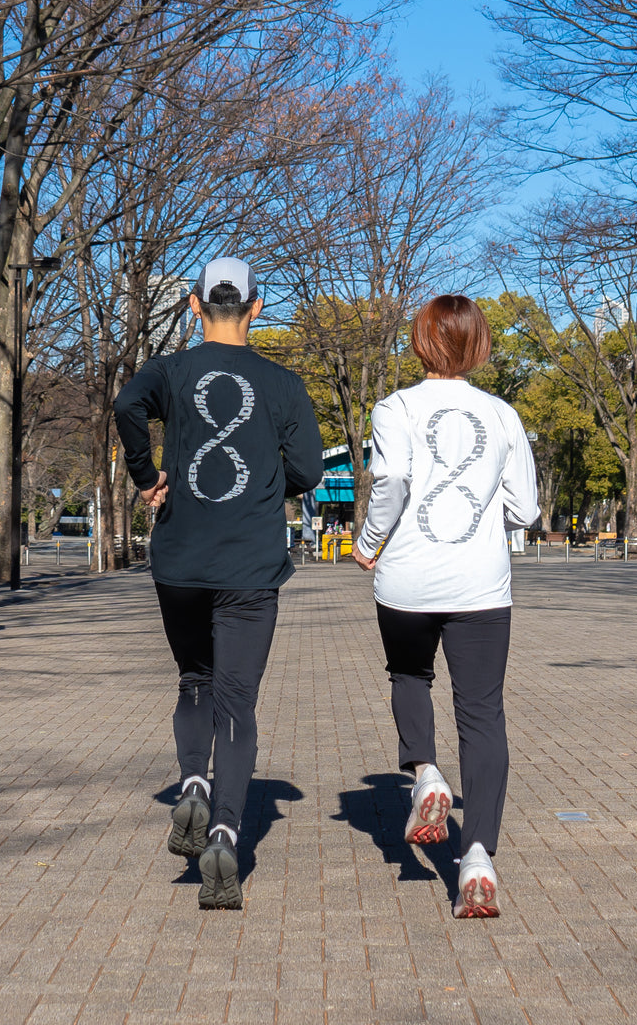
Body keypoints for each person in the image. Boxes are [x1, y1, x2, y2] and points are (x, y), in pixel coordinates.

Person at [114, 256, 323, 909]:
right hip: (250, 567)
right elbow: (311, 469)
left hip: (180, 561)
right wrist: (269, 488)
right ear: (257, 308)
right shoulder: (283, 384)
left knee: (195, 680)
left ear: (193, 305)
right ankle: (227, 833)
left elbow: (126, 406)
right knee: (237, 701)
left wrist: (147, 477)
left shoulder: (170, 372)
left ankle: (192, 787)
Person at [351, 294, 539, 918]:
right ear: (479, 343)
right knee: (483, 714)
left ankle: (426, 774)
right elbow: (526, 510)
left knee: (409, 674)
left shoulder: (394, 407)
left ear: (421, 340)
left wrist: (369, 542)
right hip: (481, 585)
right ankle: (478, 856)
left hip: (408, 579)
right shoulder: (503, 415)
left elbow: (393, 483)